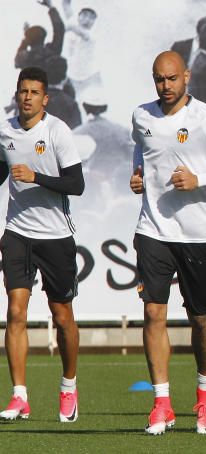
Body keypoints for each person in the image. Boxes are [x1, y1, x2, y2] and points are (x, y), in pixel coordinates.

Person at [130, 51, 206, 435]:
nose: (165, 87)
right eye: (158, 80)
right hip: (153, 230)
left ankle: (205, 398)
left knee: (200, 320)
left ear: (186, 78)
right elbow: (143, 152)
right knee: (153, 313)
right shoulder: (141, 116)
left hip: (199, 235)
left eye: (171, 79)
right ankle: (162, 404)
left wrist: (199, 179)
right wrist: (138, 176)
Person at [0, 67, 85, 423]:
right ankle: (20, 396)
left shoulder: (57, 132)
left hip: (55, 237)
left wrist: (36, 177)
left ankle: (68, 386)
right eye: (23, 91)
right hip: (17, 232)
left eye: (35, 92)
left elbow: (76, 184)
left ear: (45, 98)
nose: (28, 97)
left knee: (62, 316)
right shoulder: (5, 131)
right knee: (16, 312)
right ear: (17, 94)